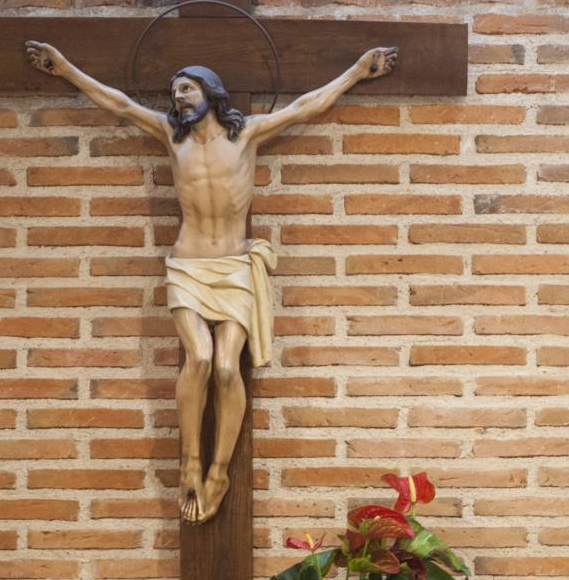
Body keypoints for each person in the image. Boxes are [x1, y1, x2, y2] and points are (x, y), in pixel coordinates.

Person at [24, 41, 398, 523]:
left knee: (226, 368)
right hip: (187, 266)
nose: (179, 96)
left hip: (234, 267)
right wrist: (67, 69)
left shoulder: (247, 136)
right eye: (174, 90)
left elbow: (306, 106)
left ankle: (219, 469)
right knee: (198, 357)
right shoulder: (170, 135)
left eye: (188, 86)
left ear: (210, 92)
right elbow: (117, 102)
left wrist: (355, 72)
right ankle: (190, 462)